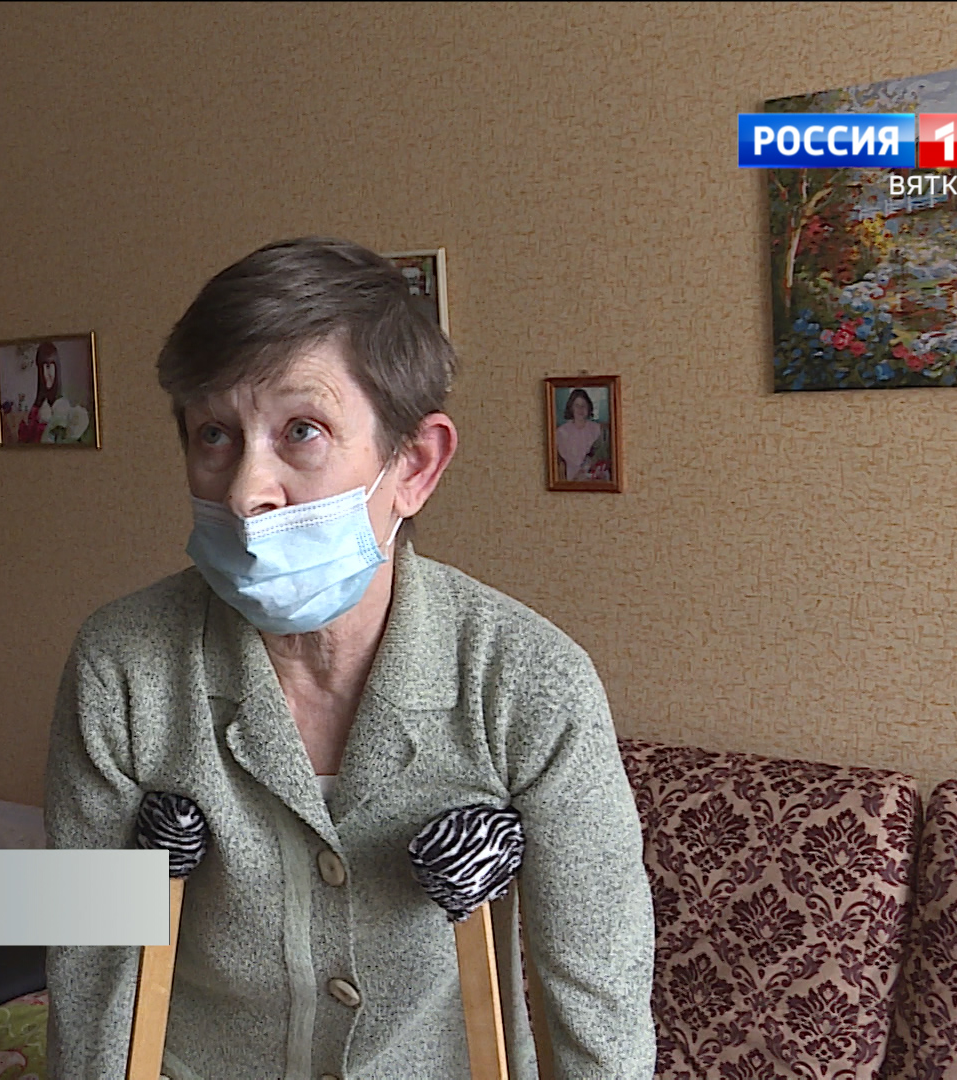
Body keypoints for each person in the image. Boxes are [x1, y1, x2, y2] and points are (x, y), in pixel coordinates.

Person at [45, 238, 654, 1078]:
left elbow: (598, 991)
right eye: (215, 434)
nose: (245, 490)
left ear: (414, 466)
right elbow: (89, 968)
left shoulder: (529, 680)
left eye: (303, 431)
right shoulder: (122, 666)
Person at [555, 388, 604, 481]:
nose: (580, 409)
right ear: (571, 408)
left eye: (583, 406)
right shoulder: (562, 431)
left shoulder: (596, 428)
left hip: (593, 473)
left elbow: (600, 454)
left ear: (589, 407)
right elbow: (565, 458)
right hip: (572, 476)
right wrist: (580, 471)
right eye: (577, 406)